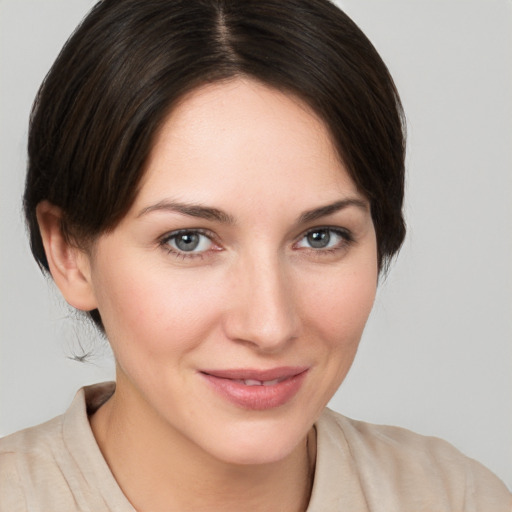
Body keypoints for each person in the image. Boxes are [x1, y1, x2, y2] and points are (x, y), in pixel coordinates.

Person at [0, 0, 510, 510]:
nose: (270, 326)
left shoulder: (456, 498)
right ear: (70, 252)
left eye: (321, 237)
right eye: (189, 240)